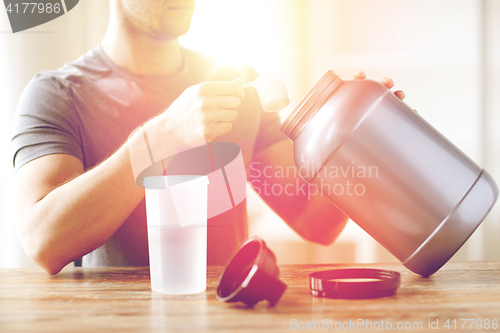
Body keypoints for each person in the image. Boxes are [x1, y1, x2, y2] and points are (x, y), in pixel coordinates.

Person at [11, 0, 406, 275]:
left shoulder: (236, 80)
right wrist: (160, 138)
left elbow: (313, 220)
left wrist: (357, 141)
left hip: (226, 314)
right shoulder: (58, 94)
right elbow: (43, 242)